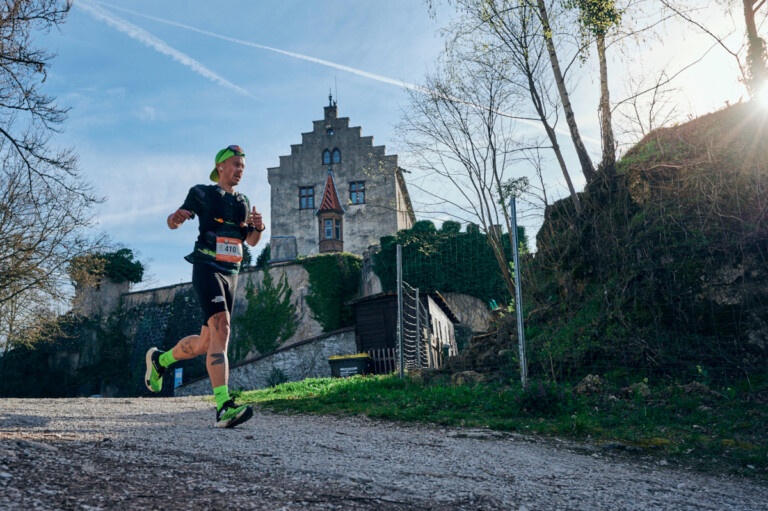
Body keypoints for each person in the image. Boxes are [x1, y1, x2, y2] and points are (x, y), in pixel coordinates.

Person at [145, 145, 264, 428]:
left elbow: (251, 242)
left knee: (205, 344)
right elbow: (174, 221)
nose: (240, 170)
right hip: (207, 267)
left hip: (232, 272)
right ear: (220, 167)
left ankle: (161, 360)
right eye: (235, 164)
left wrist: (258, 227)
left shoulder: (243, 201)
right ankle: (223, 406)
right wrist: (175, 218)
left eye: (243, 167)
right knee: (222, 327)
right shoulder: (202, 192)